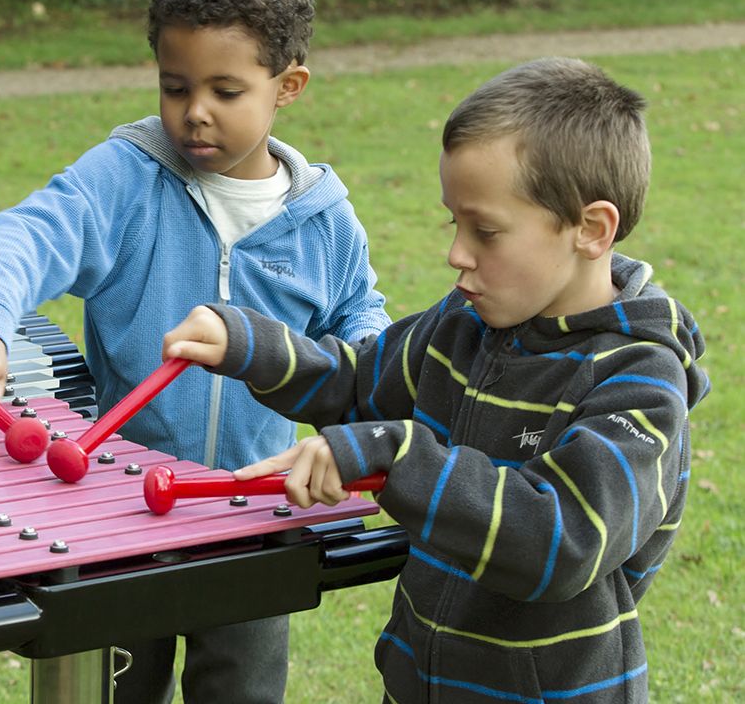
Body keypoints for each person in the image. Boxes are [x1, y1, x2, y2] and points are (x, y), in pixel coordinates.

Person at [162, 56, 711, 703]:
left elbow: (563, 540)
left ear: (591, 229)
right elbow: (358, 386)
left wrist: (398, 455)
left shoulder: (641, 380)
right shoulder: (465, 321)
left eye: (486, 230)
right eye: (455, 222)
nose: (457, 252)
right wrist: (252, 346)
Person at [0, 0, 390, 700]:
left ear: (289, 87)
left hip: (249, 513)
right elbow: (29, 233)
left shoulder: (324, 223)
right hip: (116, 514)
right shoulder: (126, 179)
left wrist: (372, 410)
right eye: (174, 87)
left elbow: (363, 333)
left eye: (225, 89)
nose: (194, 111)